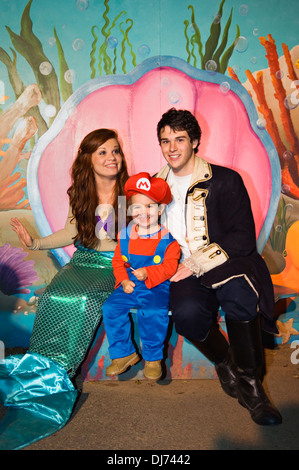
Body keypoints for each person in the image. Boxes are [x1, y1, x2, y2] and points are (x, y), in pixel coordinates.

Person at [0, 129, 129, 450]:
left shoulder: (131, 192)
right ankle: (39, 370)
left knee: (83, 299)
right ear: (88, 158)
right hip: (83, 259)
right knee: (54, 296)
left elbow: (143, 235)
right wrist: (37, 243)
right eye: (102, 152)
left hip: (113, 265)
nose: (111, 157)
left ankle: (60, 377)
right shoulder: (82, 192)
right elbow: (72, 232)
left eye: (115, 151)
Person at [155, 108, 282, 426]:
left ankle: (254, 391)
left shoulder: (226, 179)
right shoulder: (154, 185)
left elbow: (242, 238)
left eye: (180, 139)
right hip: (180, 267)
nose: (172, 148)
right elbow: (137, 227)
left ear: (195, 141)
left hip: (226, 261)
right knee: (186, 315)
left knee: (240, 293)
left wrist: (198, 261)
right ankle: (225, 360)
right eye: (165, 140)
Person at [102, 172, 181, 381]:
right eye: (137, 207)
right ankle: (124, 353)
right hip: (128, 285)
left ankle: (153, 358)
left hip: (155, 286)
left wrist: (149, 272)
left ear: (160, 209)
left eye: (150, 206)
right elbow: (118, 261)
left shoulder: (168, 240)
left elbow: (170, 266)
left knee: (154, 312)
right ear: (130, 209)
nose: (143, 212)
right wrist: (124, 280)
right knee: (110, 307)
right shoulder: (125, 234)